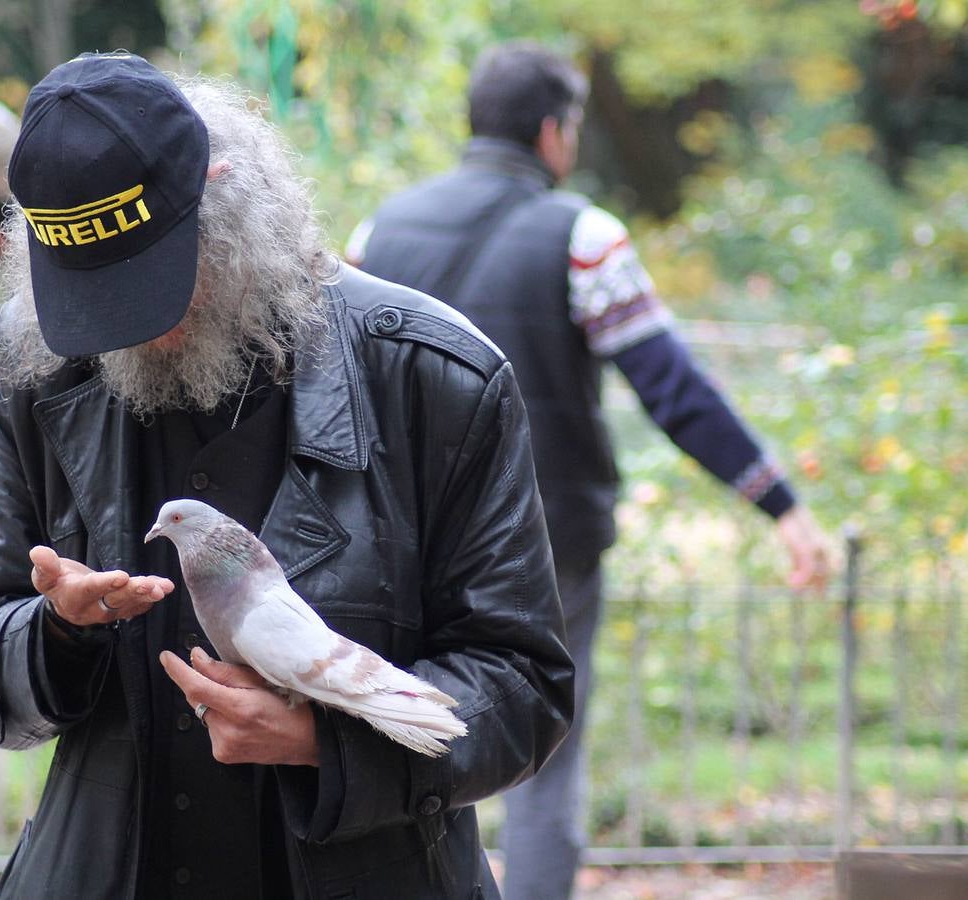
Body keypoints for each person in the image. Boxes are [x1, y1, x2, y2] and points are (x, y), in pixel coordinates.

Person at [0, 51, 575, 899]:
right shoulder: (43, 358)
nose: (134, 329)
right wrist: (55, 630)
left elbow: (525, 687)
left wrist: (326, 740)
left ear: (227, 195)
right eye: (97, 297)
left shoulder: (434, 375)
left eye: (154, 283)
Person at [348, 41, 831, 900]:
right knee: (542, 760)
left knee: (395, 736)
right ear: (553, 133)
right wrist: (784, 508)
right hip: (545, 545)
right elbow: (674, 391)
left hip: (399, 542)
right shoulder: (583, 236)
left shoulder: (377, 233)